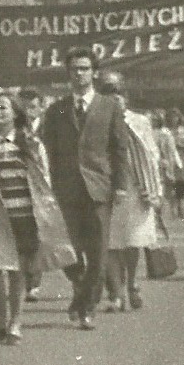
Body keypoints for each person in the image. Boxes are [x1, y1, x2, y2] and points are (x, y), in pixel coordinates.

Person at [40, 48, 129, 330]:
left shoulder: (109, 106)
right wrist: (49, 186)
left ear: (94, 73)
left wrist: (121, 186)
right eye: (74, 69)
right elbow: (50, 150)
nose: (79, 74)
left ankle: (86, 308)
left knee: (99, 253)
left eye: (84, 69)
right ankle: (82, 291)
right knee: (70, 253)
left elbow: (119, 148)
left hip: (99, 188)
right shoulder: (57, 109)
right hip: (66, 189)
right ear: (68, 74)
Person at [0, 92, 51, 342]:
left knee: (17, 270)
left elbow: (44, 180)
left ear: (15, 113)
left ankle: (15, 321)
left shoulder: (31, 144)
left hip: (23, 214)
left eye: (3, 108)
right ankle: (2, 314)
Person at [101, 73, 163, 311]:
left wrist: (155, 190)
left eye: (117, 92)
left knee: (132, 241)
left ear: (124, 95)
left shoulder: (139, 121)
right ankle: (116, 293)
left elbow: (152, 157)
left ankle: (133, 283)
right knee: (110, 242)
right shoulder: (95, 121)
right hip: (106, 186)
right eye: (108, 92)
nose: (114, 97)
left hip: (136, 187)